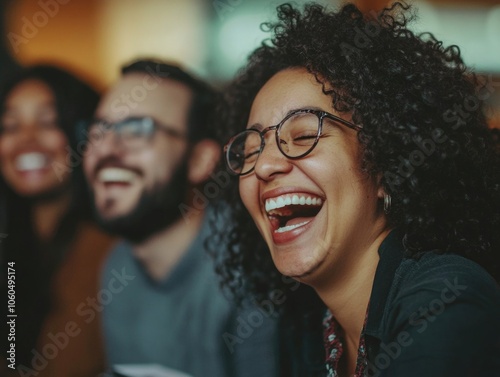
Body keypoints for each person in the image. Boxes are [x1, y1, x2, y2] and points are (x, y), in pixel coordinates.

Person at [215, 2, 500, 377]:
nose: (265, 165)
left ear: (385, 164)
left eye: (303, 134)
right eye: (251, 150)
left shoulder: (447, 300)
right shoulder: (301, 323)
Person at [82, 59, 278, 377]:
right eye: (100, 129)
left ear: (200, 160)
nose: (106, 149)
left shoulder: (250, 268)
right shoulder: (117, 265)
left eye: (138, 129)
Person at [0, 65, 114, 376]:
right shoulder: (14, 245)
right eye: (9, 126)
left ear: (85, 134)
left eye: (49, 121)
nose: (26, 139)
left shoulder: (108, 252)